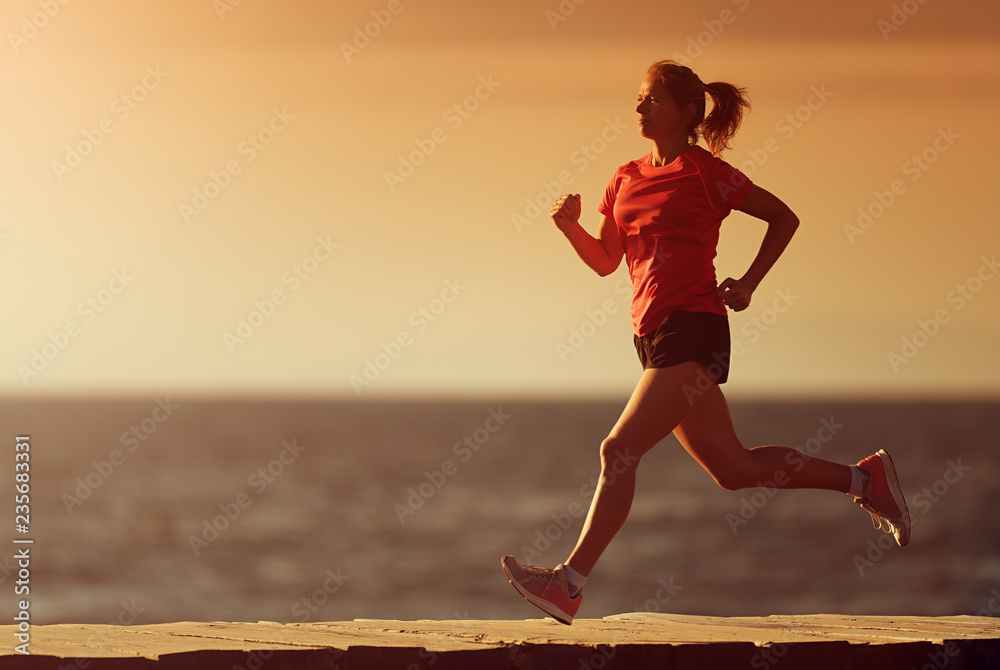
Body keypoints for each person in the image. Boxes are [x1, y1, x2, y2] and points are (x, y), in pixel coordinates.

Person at [501, 60, 910, 625]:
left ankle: (568, 584)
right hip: (649, 334)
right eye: (639, 99)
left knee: (618, 451)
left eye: (652, 100)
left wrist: (748, 282)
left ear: (687, 112)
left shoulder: (706, 173)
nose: (639, 108)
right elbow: (605, 261)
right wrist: (569, 226)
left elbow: (783, 218)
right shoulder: (624, 176)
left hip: (693, 327)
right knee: (734, 469)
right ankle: (867, 480)